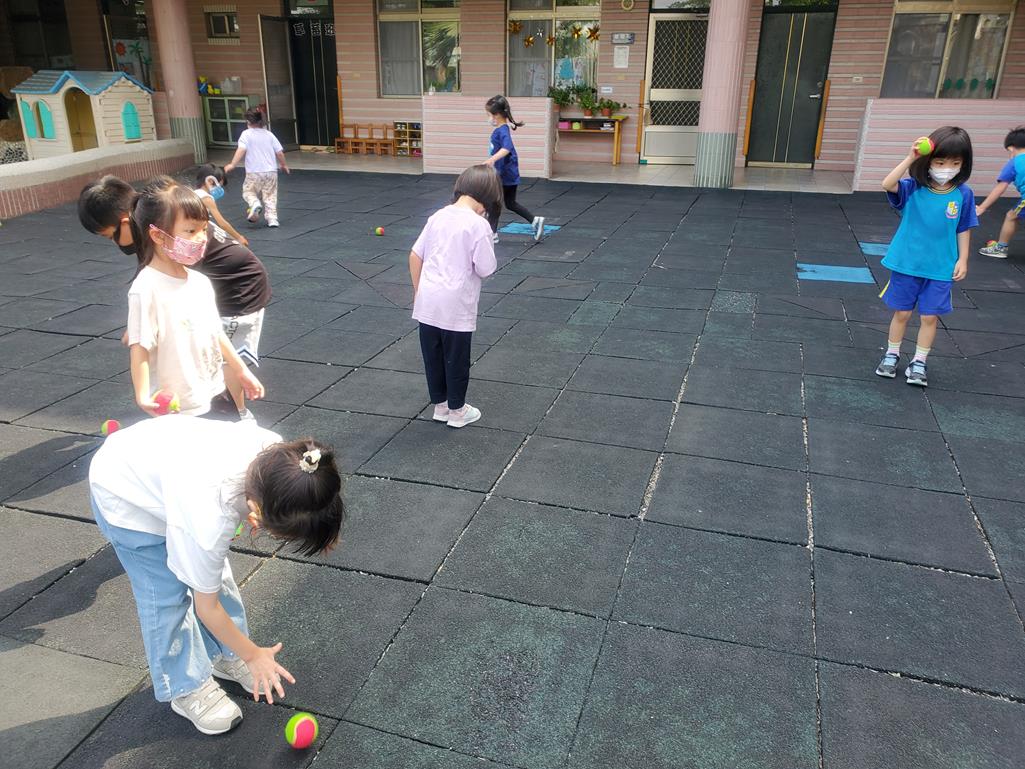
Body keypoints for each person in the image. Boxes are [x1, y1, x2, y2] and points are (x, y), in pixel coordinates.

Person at [89, 415, 344, 734]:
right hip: (124, 493)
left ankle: (228, 653)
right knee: (165, 596)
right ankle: (185, 685)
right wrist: (254, 655)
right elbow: (205, 607)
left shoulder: (284, 463)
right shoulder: (209, 518)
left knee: (214, 578)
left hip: (164, 466)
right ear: (257, 512)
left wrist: (322, 530)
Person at [78, 175, 273, 419]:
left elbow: (213, 329)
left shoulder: (189, 265)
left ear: (126, 222)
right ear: (157, 236)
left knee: (214, 349)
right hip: (184, 398)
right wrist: (141, 325)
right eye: (193, 231)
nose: (201, 238)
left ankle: (239, 411)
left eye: (111, 236)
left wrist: (241, 369)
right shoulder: (153, 275)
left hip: (240, 289)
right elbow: (142, 339)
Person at [876, 127, 977, 387]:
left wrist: (963, 259)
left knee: (930, 316)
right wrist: (911, 157)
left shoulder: (963, 194)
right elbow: (887, 184)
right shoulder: (913, 188)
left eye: (955, 163)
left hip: (941, 266)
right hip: (907, 263)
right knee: (902, 313)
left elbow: (963, 227)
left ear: (964, 164)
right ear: (929, 161)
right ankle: (891, 354)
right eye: (940, 162)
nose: (947, 169)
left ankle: (919, 361)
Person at [409, 165, 501, 427]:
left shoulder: (438, 216)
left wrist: (418, 291)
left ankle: (440, 407)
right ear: (488, 196)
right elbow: (485, 268)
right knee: (456, 357)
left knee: (433, 355)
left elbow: (415, 255)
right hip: (456, 303)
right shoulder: (478, 224)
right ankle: (458, 412)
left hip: (428, 299)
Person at [484, 95, 544, 244]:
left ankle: (492, 234)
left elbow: (507, 148)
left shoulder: (502, 131)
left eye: (489, 115)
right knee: (510, 203)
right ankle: (534, 220)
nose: (488, 118)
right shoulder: (503, 128)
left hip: (504, 174)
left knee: (494, 203)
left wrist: (492, 160)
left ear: (497, 115)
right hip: (509, 173)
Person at [224, 108, 290, 228]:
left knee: (249, 191)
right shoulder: (269, 134)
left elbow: (241, 149)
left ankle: (254, 203)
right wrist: (284, 165)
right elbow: (279, 152)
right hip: (271, 171)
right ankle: (272, 219)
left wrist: (232, 164)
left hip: (254, 171)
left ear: (248, 121)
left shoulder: (246, 134)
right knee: (270, 195)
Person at [974, 126, 1025, 259]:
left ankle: (1000, 248)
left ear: (1011, 148)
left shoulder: (1015, 162)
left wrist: (982, 207)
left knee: (1011, 216)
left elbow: (1000, 188)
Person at [193, 163, 249, 246]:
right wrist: (238, 237)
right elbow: (222, 223)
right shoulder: (206, 198)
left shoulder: (194, 193)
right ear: (210, 181)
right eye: (219, 186)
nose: (220, 189)